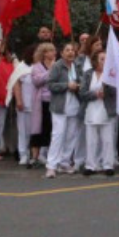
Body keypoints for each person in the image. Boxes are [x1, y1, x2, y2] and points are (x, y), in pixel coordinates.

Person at [45, 42, 85, 179]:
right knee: (58, 135)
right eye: (67, 50)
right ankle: (51, 166)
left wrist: (79, 85)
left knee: (71, 135)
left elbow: (82, 82)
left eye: (72, 50)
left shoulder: (77, 66)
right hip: (59, 107)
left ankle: (65, 162)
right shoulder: (57, 66)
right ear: (62, 53)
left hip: (74, 105)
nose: (70, 52)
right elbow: (50, 85)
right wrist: (66, 85)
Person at [81, 50, 117, 176]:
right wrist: (95, 94)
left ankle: (108, 165)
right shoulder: (87, 74)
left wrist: (106, 88)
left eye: (106, 59)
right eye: (102, 59)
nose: (104, 61)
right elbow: (82, 93)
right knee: (91, 140)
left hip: (106, 109)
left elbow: (115, 92)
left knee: (107, 140)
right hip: (91, 109)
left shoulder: (111, 75)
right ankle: (90, 165)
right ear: (95, 60)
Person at [30, 43, 57, 169]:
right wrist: (50, 71)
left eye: (54, 50)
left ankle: (47, 155)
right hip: (41, 102)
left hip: (54, 101)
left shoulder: (58, 65)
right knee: (38, 128)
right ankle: (34, 157)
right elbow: (37, 81)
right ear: (44, 53)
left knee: (51, 128)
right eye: (50, 51)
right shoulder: (36, 67)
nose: (53, 53)